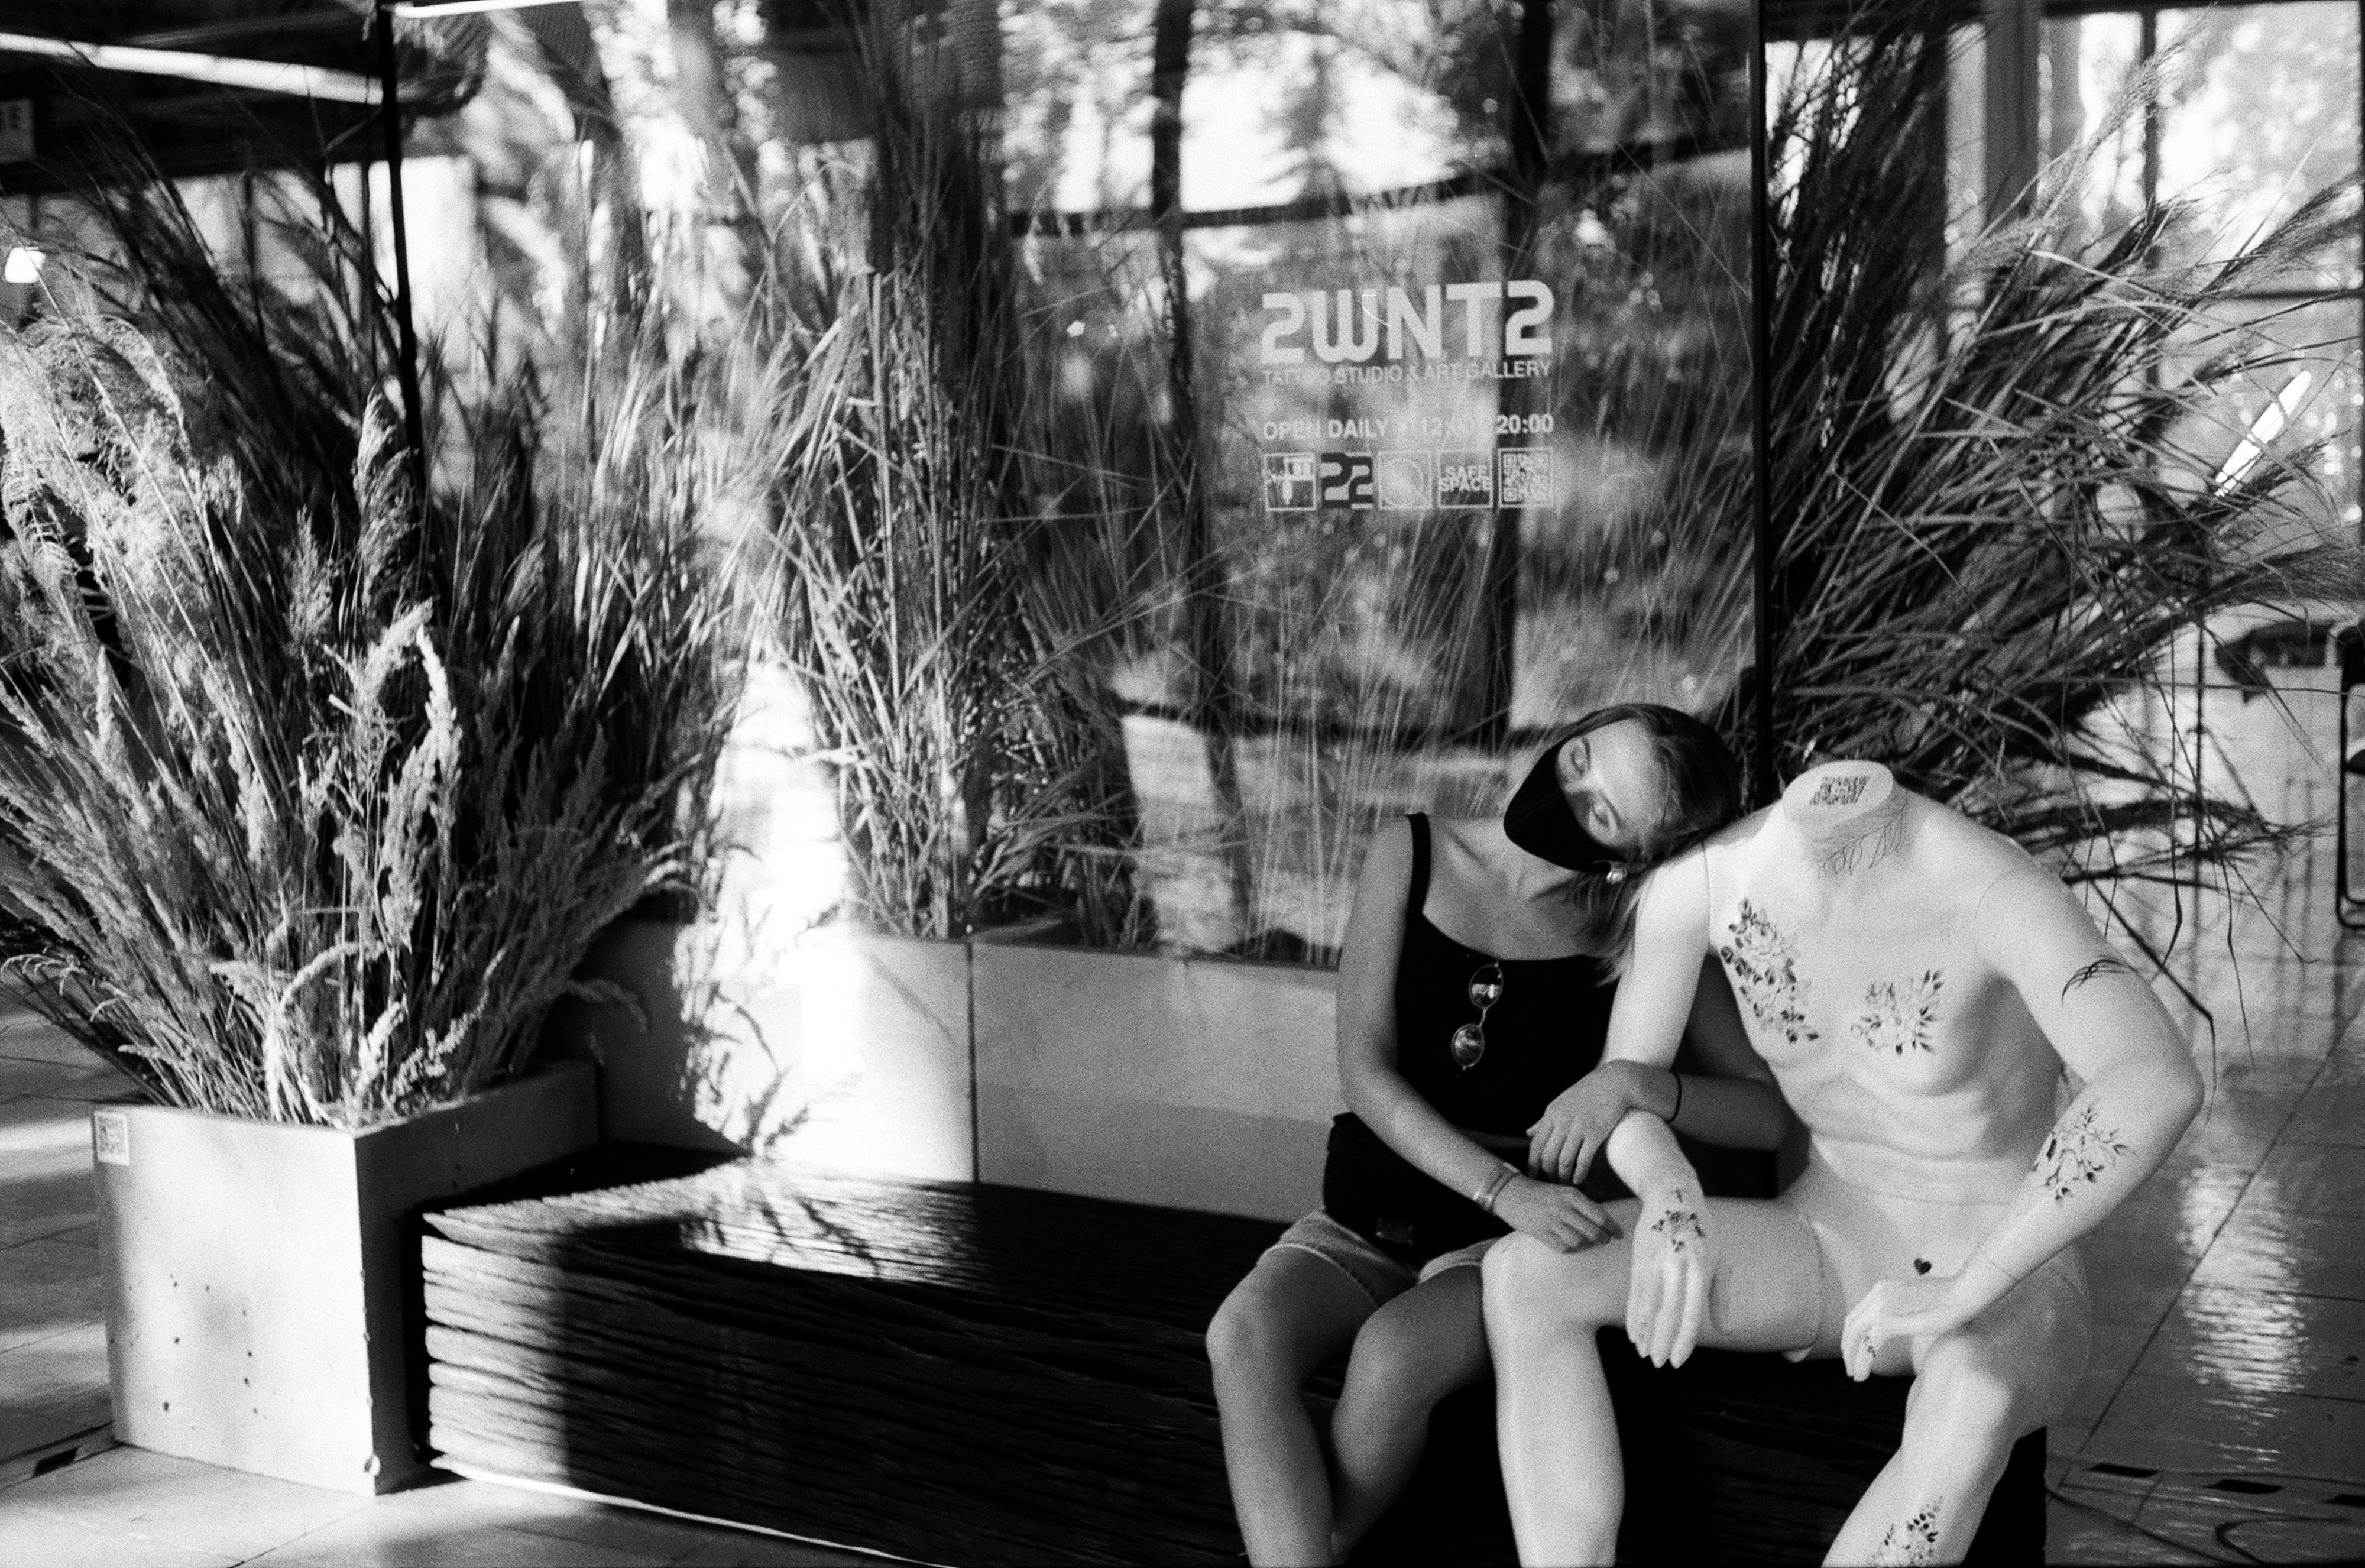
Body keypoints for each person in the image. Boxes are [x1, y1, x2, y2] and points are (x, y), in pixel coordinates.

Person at [1482, 759, 2205, 1567]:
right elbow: (1624, 1090)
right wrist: (1668, 1193)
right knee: (1528, 1274)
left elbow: (2155, 1081)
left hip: (2000, 1267)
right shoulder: (1709, 881)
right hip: (1827, 1241)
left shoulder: (1996, 891)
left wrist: (1972, 1285)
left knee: (1972, 1394)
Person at [1204, 704, 1796, 1567]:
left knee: (1393, 1360)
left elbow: (1766, 1111)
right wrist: (1502, 1186)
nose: (1567, 787)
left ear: (1632, 854)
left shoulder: (1634, 929)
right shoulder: (1409, 853)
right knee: (1241, 1337)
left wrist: (1632, 1084)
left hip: (1502, 1247)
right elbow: (1364, 1073)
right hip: (1365, 1214)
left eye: (1599, 810)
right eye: (1580, 757)